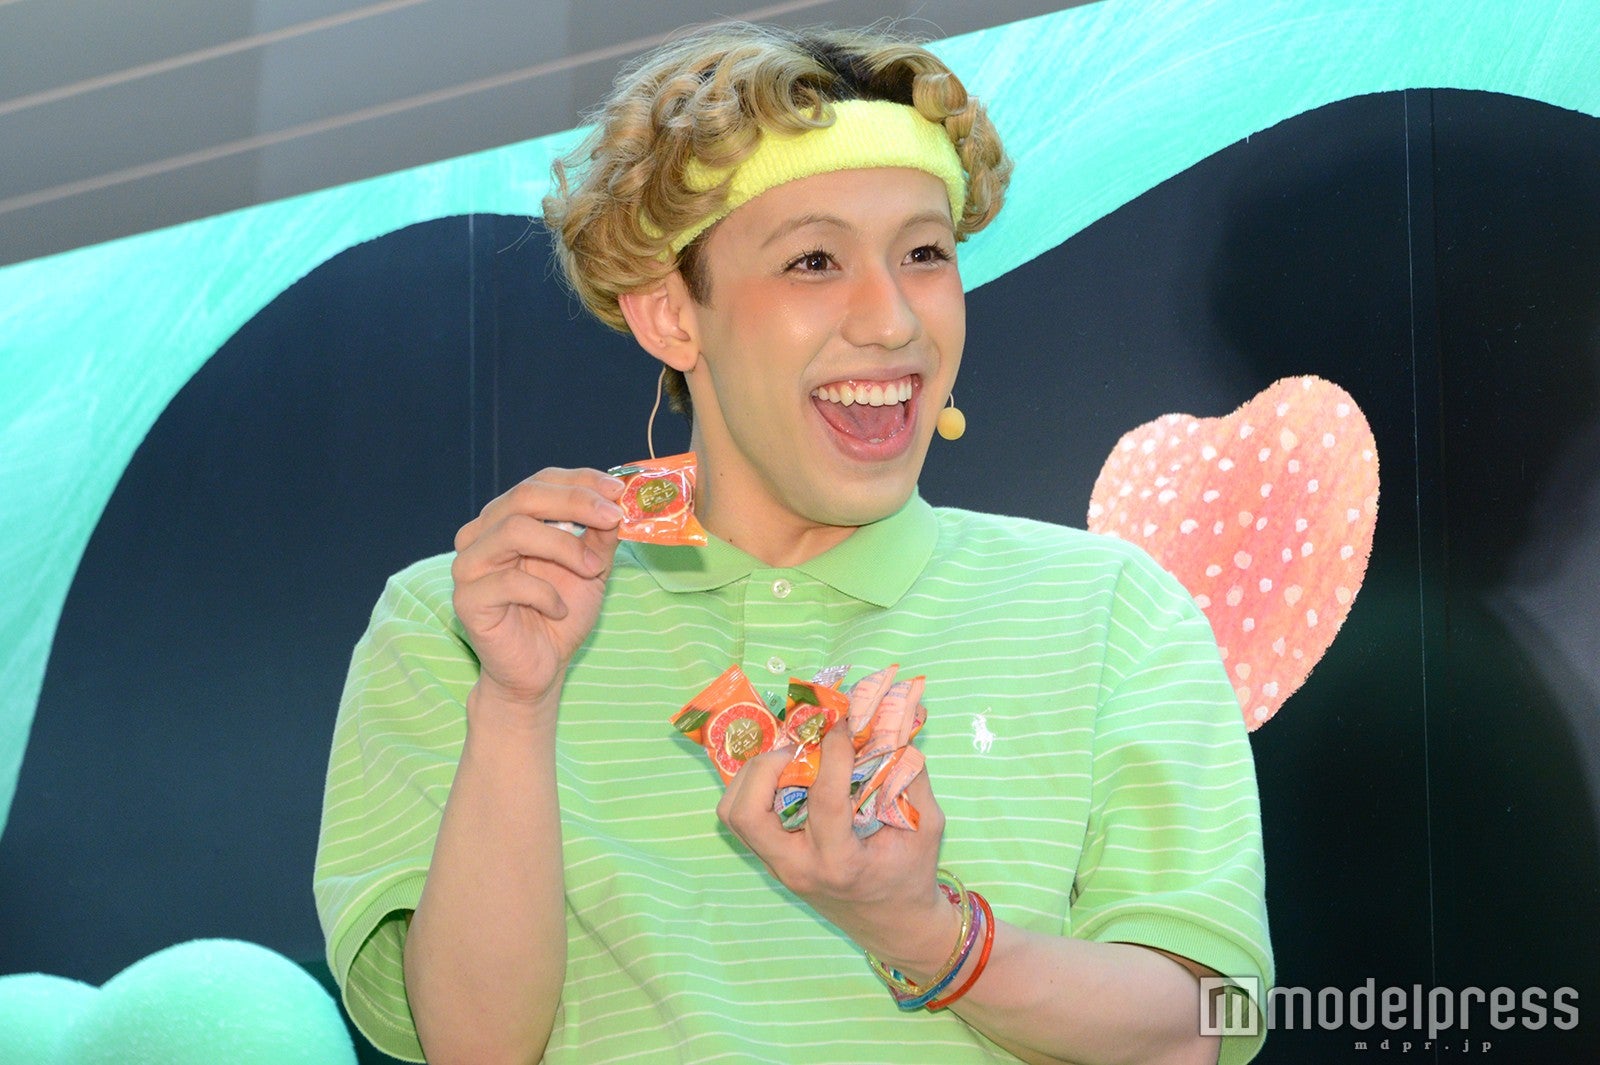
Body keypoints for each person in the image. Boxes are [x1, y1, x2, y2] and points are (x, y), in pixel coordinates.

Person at [315, 22, 1273, 1065]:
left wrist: (924, 934)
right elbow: (475, 1048)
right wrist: (515, 705)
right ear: (671, 316)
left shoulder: (1115, 609)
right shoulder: (465, 624)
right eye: (814, 261)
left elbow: (1200, 1029)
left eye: (924, 254)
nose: (893, 321)